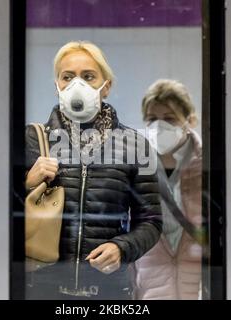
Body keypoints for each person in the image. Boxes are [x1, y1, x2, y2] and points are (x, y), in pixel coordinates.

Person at [24, 41, 162, 300]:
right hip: (41, 289)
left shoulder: (135, 145)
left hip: (108, 292)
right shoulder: (33, 139)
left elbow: (151, 222)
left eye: (88, 76)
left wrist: (121, 248)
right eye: (67, 77)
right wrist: (27, 184)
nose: (78, 85)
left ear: (106, 86)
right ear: (57, 86)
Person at [134, 79, 203, 300]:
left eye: (170, 119)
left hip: (199, 283)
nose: (159, 126)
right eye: (152, 119)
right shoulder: (135, 166)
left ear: (189, 121)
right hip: (150, 284)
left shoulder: (207, 164)